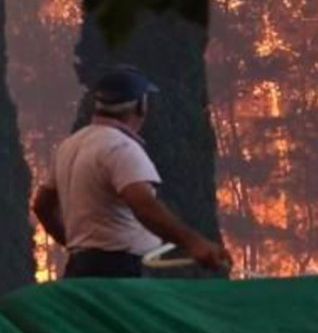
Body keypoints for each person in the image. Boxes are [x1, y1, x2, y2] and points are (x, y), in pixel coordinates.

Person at [32, 66, 230, 278]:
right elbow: (143, 206)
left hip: (80, 270)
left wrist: (77, 247)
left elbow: (41, 206)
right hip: (120, 270)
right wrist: (194, 243)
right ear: (141, 106)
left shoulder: (69, 145)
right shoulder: (121, 148)